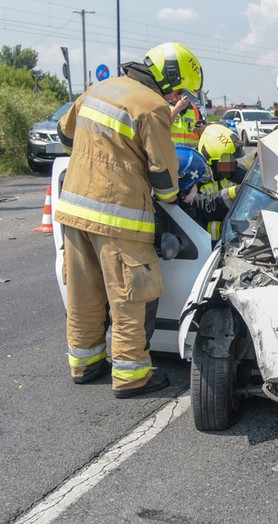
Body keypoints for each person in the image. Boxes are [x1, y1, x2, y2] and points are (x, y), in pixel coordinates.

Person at [55, 42, 202, 398]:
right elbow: (165, 180)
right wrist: (174, 195)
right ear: (169, 78)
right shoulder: (152, 106)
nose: (177, 97)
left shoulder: (99, 88)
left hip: (73, 211)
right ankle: (131, 376)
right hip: (119, 217)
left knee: (84, 292)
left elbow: (64, 134)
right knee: (131, 297)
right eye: (179, 89)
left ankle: (85, 364)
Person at [181, 124, 247, 241]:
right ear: (211, 161)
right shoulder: (192, 179)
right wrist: (233, 193)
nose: (233, 165)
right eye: (227, 161)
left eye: (232, 160)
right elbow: (201, 206)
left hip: (239, 240)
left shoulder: (232, 171)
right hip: (208, 245)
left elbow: (251, 184)